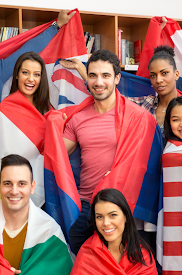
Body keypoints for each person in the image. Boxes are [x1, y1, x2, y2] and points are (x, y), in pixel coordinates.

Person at [62, 49, 161, 254]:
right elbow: (56, 157)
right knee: (82, 266)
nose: (99, 82)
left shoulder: (138, 118)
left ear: (117, 78)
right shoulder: (77, 118)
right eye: (93, 75)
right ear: (86, 78)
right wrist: (54, 124)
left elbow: (151, 165)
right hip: (85, 208)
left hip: (121, 210)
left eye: (105, 75)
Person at [59, 46, 182, 135]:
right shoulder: (145, 103)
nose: (158, 80)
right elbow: (109, 95)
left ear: (176, 74)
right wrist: (82, 69)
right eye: (153, 75)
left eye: (164, 73)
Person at [0, 51, 52, 207]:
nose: (31, 79)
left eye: (36, 74)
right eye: (25, 72)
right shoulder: (4, 112)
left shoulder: (48, 110)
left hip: (46, 186)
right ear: (17, 75)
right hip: (14, 190)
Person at [71, 188, 157, 275]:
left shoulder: (142, 255)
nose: (106, 223)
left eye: (113, 215)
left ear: (125, 216)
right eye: (99, 217)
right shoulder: (87, 254)